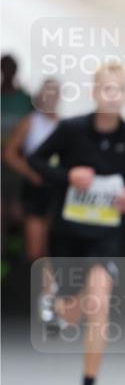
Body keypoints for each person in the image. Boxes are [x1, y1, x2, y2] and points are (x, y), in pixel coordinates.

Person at [28, 61, 125, 385]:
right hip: (68, 234)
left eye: (119, 90)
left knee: (99, 302)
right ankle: (55, 301)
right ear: (95, 93)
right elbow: (35, 160)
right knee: (71, 313)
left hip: (105, 235)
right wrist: (68, 176)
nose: (112, 96)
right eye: (106, 89)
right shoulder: (71, 129)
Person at [2, 78, 60, 264]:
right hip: (36, 190)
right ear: (40, 96)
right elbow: (9, 153)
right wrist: (31, 173)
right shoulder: (30, 122)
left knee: (54, 248)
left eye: (54, 94)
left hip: (57, 191)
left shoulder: (65, 125)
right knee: (35, 251)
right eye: (47, 93)